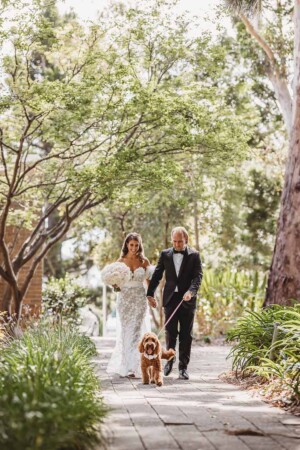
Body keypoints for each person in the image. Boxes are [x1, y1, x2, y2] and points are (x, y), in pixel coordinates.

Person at [147, 226, 203, 380]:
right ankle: (169, 361)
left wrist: (191, 291)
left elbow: (198, 277)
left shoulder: (194, 255)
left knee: (186, 334)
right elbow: (158, 274)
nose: (177, 245)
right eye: (175, 241)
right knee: (171, 332)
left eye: (180, 242)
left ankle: (183, 368)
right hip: (170, 299)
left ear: (186, 240)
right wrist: (150, 293)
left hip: (187, 299)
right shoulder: (165, 254)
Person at [106, 232, 153, 378]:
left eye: (136, 245)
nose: (133, 248)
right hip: (124, 299)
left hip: (139, 299)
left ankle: (137, 366)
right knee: (126, 331)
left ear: (139, 246)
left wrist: (152, 297)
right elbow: (116, 286)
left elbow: (149, 284)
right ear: (127, 245)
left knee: (137, 331)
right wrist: (115, 285)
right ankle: (126, 365)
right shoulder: (120, 261)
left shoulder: (144, 262)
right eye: (131, 245)